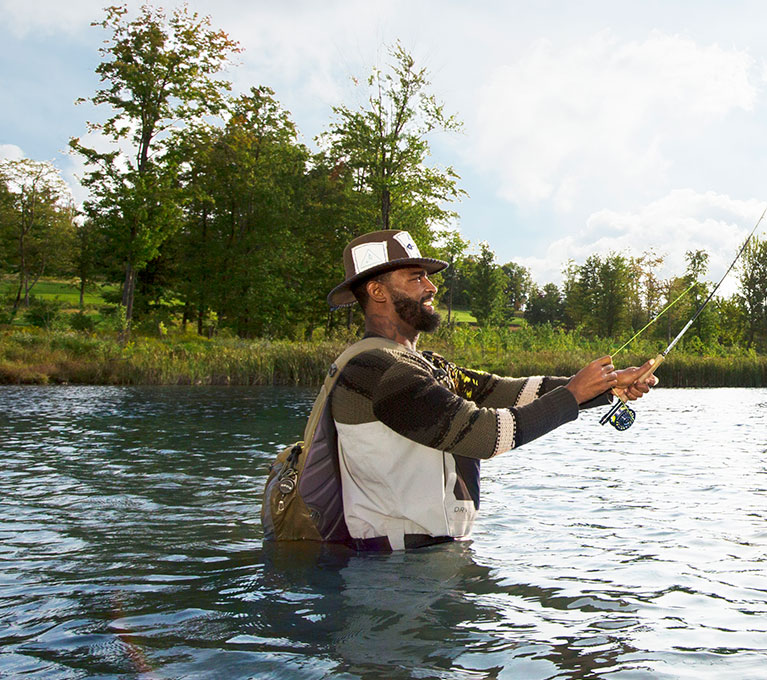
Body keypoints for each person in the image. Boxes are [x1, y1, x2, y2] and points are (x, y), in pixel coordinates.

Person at [264, 229, 657, 552]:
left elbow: (506, 393)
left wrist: (608, 385)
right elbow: (483, 435)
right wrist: (572, 395)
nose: (431, 287)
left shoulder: (422, 365)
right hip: (391, 570)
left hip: (426, 558)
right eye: (416, 277)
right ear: (378, 292)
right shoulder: (378, 370)